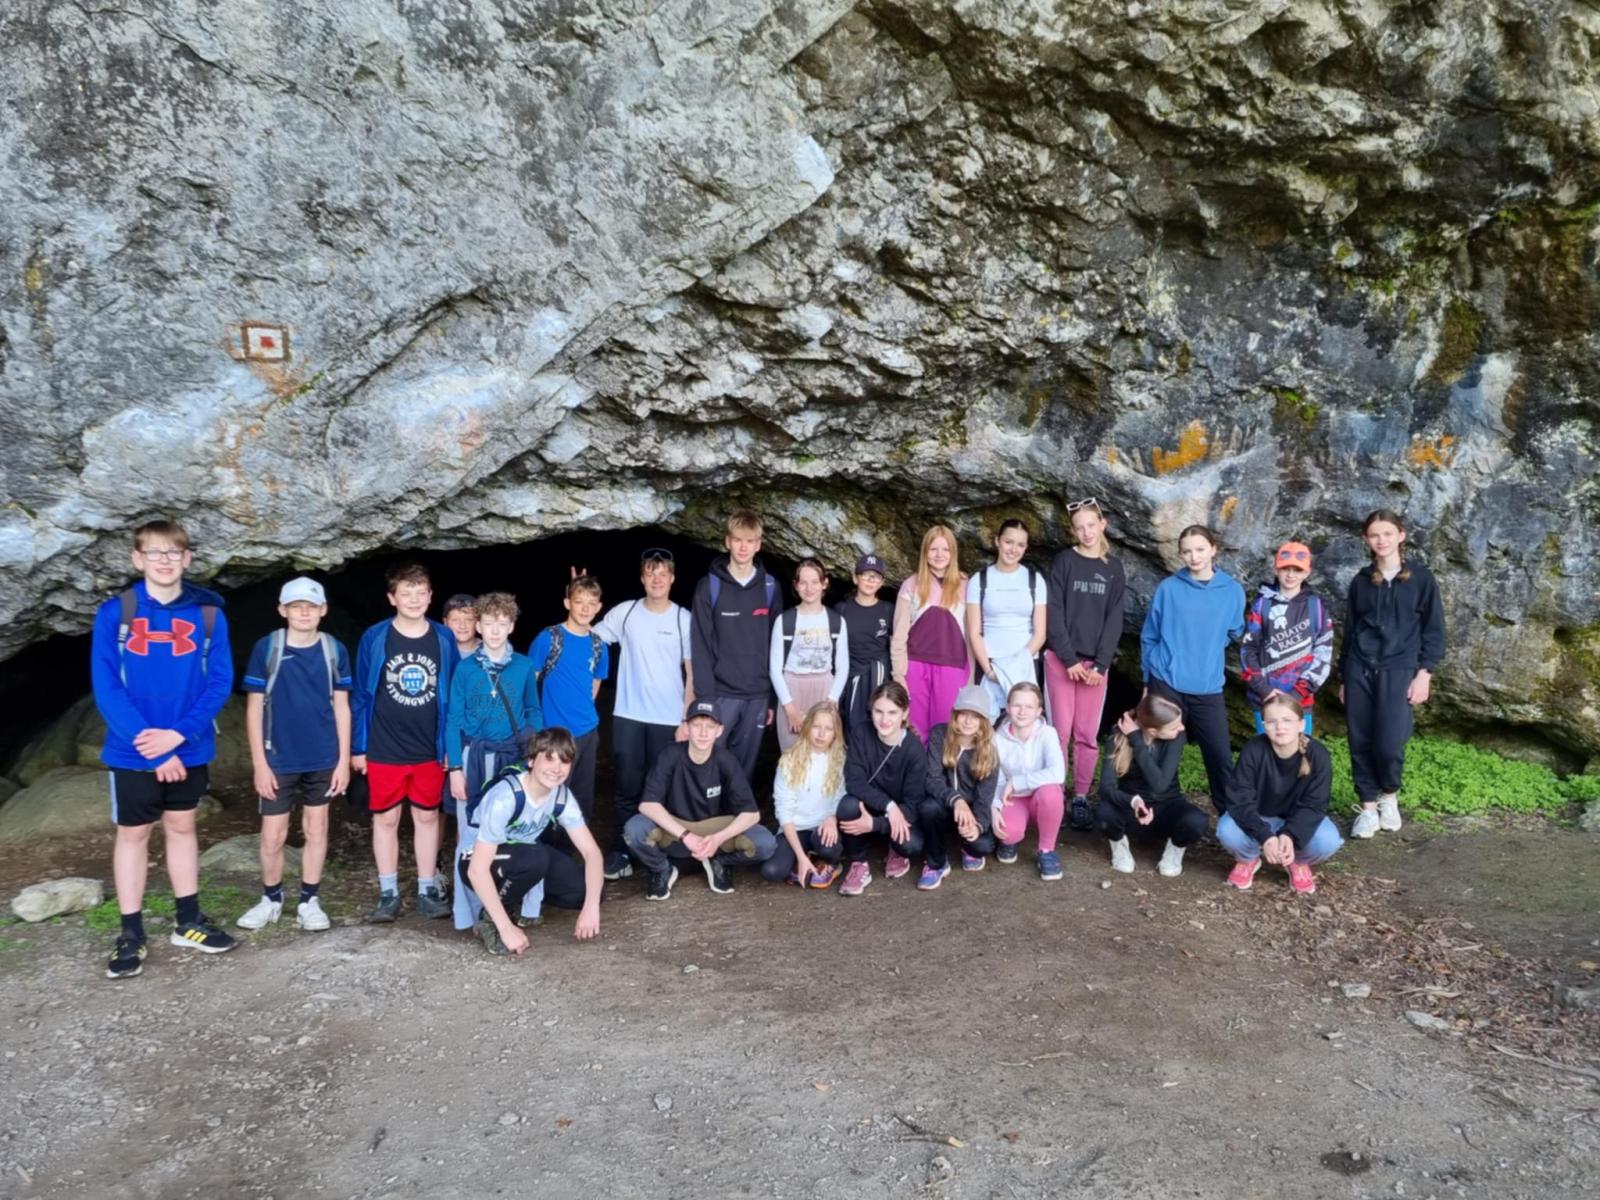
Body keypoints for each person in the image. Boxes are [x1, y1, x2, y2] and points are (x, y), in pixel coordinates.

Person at [92, 520, 237, 978]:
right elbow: (107, 687)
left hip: (188, 746)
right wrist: (155, 748)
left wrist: (179, 736)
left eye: (174, 552)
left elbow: (219, 682)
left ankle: (187, 921)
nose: (165, 560)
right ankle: (130, 933)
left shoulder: (208, 615)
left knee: (182, 827)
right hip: (132, 750)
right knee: (133, 834)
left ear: (187, 558)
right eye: (155, 553)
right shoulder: (116, 613)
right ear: (138, 559)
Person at [238, 577, 353, 933]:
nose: (304, 613)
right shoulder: (268, 647)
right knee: (273, 834)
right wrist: (259, 764)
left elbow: (342, 707)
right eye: (296, 607)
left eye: (311, 607)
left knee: (316, 828)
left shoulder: (333, 650)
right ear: (282, 610)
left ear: (323, 610)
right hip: (278, 757)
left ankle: (309, 900)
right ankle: (271, 898)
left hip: (323, 756)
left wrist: (343, 761)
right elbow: (254, 709)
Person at [352, 561, 459, 923]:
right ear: (392, 598)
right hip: (384, 745)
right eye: (405, 593)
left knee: (427, 816)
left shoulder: (444, 638)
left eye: (420, 593)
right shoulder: (375, 637)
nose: (413, 599)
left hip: (429, 747)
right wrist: (358, 747)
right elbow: (361, 695)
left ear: (430, 596)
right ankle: (388, 893)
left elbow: (452, 696)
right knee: (385, 819)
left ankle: (427, 890)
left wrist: (450, 746)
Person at [1339, 510, 1446, 839]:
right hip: (1359, 667)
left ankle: (1389, 796)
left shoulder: (1421, 579)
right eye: (1374, 535)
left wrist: (1425, 673)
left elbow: (1434, 630)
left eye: (1387, 533)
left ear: (1401, 535)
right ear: (1366, 540)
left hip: (1399, 668)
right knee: (1360, 739)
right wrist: (1343, 677)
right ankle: (1368, 808)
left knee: (1389, 743)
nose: (1381, 540)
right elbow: (1350, 630)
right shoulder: (1361, 580)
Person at [444, 591, 542, 930]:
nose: (495, 630)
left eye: (502, 623)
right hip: (476, 757)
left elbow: (533, 709)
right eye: (489, 623)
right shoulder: (465, 669)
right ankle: (468, 912)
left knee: (520, 826)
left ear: (511, 626)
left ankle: (525, 906)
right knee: (470, 834)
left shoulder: (524, 666)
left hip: (514, 756)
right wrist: (455, 768)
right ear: (479, 627)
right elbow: (453, 720)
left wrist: (535, 753)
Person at [594, 548, 694, 880]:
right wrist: (580, 598)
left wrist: (687, 719)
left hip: (669, 718)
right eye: (651, 573)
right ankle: (623, 850)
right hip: (629, 714)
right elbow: (590, 640)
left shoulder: (683, 618)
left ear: (673, 579)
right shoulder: (626, 612)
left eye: (663, 573)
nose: (657, 579)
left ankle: (657, 850)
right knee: (626, 787)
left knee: (663, 790)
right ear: (642, 578)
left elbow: (692, 673)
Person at [460, 728, 603, 956]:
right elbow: (477, 869)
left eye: (564, 761)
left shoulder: (561, 796)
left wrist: (591, 908)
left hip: (521, 855)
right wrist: (506, 929)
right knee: (536, 857)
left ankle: (517, 896)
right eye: (549, 759)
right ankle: (493, 918)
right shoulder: (506, 797)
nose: (557, 769)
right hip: (475, 859)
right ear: (531, 761)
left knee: (586, 891)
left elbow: (592, 853)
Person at [1139, 525, 1245, 814]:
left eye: (1200, 549)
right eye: (1186, 551)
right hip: (1166, 681)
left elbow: (1234, 630)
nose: (1194, 557)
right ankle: (1157, 815)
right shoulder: (1169, 588)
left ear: (1213, 549)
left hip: (1207, 686)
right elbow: (1150, 636)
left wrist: (1206, 649)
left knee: (1219, 755)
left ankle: (1231, 822)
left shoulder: (1232, 591)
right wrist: (1148, 681)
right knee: (1161, 751)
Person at [625, 700, 779, 898]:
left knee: (765, 842)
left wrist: (718, 838)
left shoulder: (726, 760)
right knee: (634, 829)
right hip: (676, 827)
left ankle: (721, 863)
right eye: (697, 725)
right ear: (686, 728)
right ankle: (661, 868)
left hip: (715, 829)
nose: (703, 733)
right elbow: (647, 805)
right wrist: (686, 836)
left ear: (719, 730)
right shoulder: (670, 754)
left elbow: (751, 814)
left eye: (710, 727)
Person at [1044, 498, 1126, 831]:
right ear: (1073, 531)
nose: (1086, 532)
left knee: (1087, 735)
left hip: (1095, 667)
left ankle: (1079, 797)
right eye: (1079, 528)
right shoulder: (1064, 561)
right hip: (1061, 661)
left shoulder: (1113, 567)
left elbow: (1114, 619)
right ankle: (1055, 793)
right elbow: (1053, 612)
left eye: (1091, 525)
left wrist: (1101, 665)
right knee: (1059, 732)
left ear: (1102, 524)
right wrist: (1067, 658)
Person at [1217, 692, 1344, 894]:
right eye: (1272, 721)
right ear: (1264, 725)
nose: (1280, 727)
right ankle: (1247, 859)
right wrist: (1264, 836)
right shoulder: (1253, 749)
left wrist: (1291, 834)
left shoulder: (1317, 754)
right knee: (1227, 830)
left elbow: (1315, 804)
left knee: (1327, 840)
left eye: (1287, 720)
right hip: (1259, 817)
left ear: (1301, 724)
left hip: (1296, 819)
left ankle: (1297, 861)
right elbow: (1239, 799)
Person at [690, 510, 784, 782]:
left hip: (757, 695)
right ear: (727, 542)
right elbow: (700, 645)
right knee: (708, 767)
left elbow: (777, 648)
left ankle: (737, 811)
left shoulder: (770, 587)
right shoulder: (709, 586)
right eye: (738, 540)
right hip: (720, 694)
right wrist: (705, 698)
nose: (743, 547)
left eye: (750, 541)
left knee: (743, 772)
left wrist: (772, 698)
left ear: (758, 545)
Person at [1095, 687, 1207, 876]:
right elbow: (1106, 788)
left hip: (1167, 807)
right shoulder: (1118, 736)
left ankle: (1175, 849)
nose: (1181, 728)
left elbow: (1160, 785)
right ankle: (1119, 846)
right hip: (1131, 809)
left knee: (1196, 821)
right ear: (1153, 731)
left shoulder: (1176, 738)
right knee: (1103, 814)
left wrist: (1137, 740)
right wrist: (1133, 801)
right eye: (1174, 726)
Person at [527, 574, 610, 828]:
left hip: (587, 732)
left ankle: (573, 846)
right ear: (567, 603)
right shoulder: (549, 638)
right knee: (549, 793)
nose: (585, 608)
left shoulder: (598, 645)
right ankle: (545, 846)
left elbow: (595, 684)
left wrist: (582, 714)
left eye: (591, 603)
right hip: (554, 733)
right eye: (579, 601)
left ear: (599, 607)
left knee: (581, 798)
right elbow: (530, 682)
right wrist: (536, 727)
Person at [837, 682, 928, 896]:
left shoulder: (914, 750)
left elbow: (913, 805)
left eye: (892, 713)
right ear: (871, 710)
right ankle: (859, 863)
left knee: (911, 845)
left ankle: (895, 849)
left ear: (904, 713)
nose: (884, 719)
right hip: (873, 806)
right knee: (847, 806)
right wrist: (889, 806)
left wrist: (876, 824)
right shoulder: (861, 733)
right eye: (879, 711)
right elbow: (854, 782)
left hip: (899, 815)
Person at [1240, 541, 1334, 735]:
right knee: (1266, 749)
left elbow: (1323, 652)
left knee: (1301, 748)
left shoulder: (1315, 607)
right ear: (1276, 570)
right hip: (1265, 698)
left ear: (1307, 573)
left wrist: (1297, 693)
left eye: (1297, 570)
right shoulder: (1262, 605)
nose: (1291, 575)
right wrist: (1264, 689)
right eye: (1285, 569)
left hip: (1300, 700)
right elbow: (1248, 650)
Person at [890, 525, 971, 746]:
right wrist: (899, 675)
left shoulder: (966, 585)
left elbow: (972, 635)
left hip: (953, 666)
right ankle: (917, 769)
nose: (939, 554)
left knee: (946, 728)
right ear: (925, 552)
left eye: (945, 549)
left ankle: (941, 770)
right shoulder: (911, 584)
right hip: (915, 666)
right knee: (915, 729)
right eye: (933, 549)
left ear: (953, 553)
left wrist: (971, 677)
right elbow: (899, 636)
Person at [918, 685, 1001, 889]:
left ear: (984, 721)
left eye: (976, 716)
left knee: (983, 845)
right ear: (955, 714)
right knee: (928, 808)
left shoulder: (989, 752)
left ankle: (967, 847)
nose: (968, 721)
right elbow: (932, 779)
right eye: (964, 713)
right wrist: (956, 800)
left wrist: (977, 826)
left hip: (970, 813)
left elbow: (984, 799)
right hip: (944, 804)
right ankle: (936, 863)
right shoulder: (940, 734)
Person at [761, 700, 847, 888]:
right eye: (816, 727)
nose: (821, 734)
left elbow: (841, 796)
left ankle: (831, 863)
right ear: (807, 727)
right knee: (772, 871)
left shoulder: (840, 760)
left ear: (835, 733)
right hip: (796, 828)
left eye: (828, 729)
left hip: (823, 827)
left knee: (828, 847)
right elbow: (784, 810)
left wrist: (832, 818)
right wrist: (800, 857)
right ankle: (804, 858)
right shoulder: (789, 760)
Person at [966, 518, 1047, 715]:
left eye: (1020, 545)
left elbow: (1040, 633)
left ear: (1026, 548)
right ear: (997, 541)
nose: (1013, 549)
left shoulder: (1035, 580)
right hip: (990, 661)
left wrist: (1018, 663)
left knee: (1023, 719)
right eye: (1008, 542)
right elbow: (974, 632)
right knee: (988, 720)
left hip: (1026, 663)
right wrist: (988, 670)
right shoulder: (979, 580)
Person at [770, 558, 849, 751]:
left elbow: (842, 666)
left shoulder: (836, 621)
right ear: (796, 585)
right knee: (792, 751)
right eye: (803, 582)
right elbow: (774, 669)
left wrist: (832, 700)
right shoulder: (784, 621)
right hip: (792, 689)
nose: (809, 588)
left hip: (824, 689)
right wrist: (789, 708)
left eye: (815, 582)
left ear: (825, 583)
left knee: (823, 751)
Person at [992, 682, 1067, 880]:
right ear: (1008, 707)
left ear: (1039, 711)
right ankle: (1011, 840)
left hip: (1041, 797)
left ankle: (1046, 850)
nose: (1022, 711)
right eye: (1017, 705)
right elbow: (996, 780)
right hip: (1013, 799)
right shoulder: (996, 739)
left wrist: (1017, 782)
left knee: (1051, 791)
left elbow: (1058, 773)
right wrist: (995, 807)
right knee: (1007, 832)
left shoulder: (1047, 733)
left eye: (1029, 706)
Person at [834, 554, 893, 735]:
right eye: (865, 575)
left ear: (882, 582)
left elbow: (896, 646)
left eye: (876, 576)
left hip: (879, 676)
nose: (870, 580)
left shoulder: (888, 610)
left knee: (879, 725)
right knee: (851, 727)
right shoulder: (842, 609)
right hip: (850, 676)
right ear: (855, 578)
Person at [443, 594, 480, 659]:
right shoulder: (438, 650)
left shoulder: (489, 650)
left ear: (478, 622)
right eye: (455, 620)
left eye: (469, 620)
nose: (462, 626)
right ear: (445, 622)